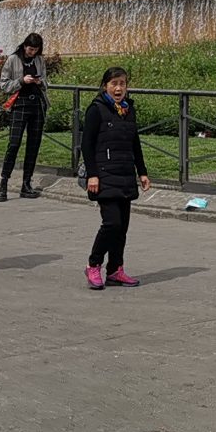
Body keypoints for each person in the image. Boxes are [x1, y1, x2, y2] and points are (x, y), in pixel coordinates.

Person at [80, 66, 150, 288]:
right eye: (114, 84)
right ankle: (93, 265)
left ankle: (115, 269)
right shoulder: (96, 109)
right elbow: (86, 145)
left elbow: (134, 142)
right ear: (105, 86)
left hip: (125, 173)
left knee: (123, 227)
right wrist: (93, 175)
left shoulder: (129, 110)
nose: (118, 88)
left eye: (122, 84)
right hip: (104, 174)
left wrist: (143, 171)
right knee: (112, 223)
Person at [0, 32, 50, 202]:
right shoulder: (13, 59)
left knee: (33, 145)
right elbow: (4, 85)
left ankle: (26, 184)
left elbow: (47, 83)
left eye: (34, 49)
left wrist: (40, 82)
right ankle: (3, 183)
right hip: (20, 104)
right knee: (13, 144)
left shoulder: (40, 60)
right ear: (24, 45)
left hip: (37, 105)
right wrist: (21, 81)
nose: (31, 52)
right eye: (29, 48)